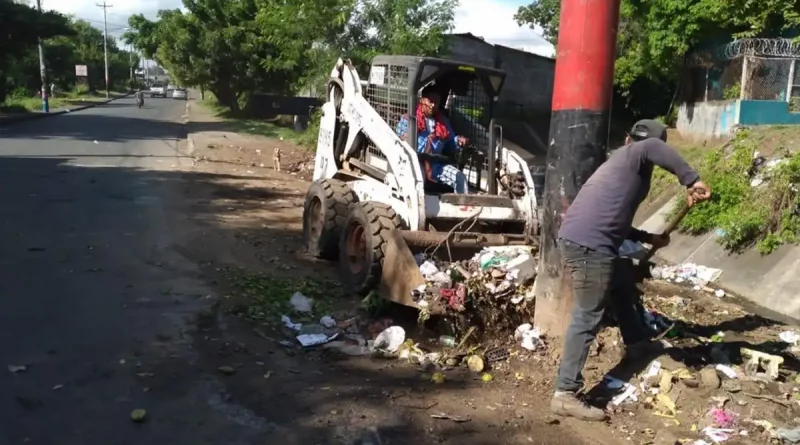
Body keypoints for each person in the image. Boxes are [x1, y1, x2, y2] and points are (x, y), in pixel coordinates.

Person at [550, 119, 712, 421]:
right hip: (590, 245)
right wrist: (691, 179)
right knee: (588, 315)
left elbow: (616, 219)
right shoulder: (641, 152)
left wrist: (648, 238)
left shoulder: (622, 164)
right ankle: (565, 393)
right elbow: (651, 145)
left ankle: (637, 344)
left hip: (588, 238)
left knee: (623, 286)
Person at [396, 88, 470, 193]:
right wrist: (405, 137)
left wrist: (458, 140)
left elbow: (450, 142)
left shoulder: (443, 122)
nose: (433, 105)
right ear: (422, 100)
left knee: (460, 178)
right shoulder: (409, 119)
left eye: (437, 102)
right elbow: (397, 140)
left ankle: (463, 206)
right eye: (431, 101)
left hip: (436, 163)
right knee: (419, 180)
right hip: (416, 162)